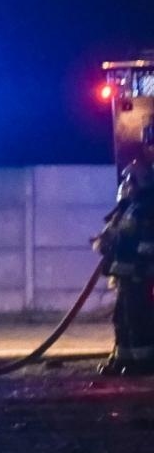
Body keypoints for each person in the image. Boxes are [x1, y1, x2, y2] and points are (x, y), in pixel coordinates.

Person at [97, 159, 154, 375]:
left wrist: (141, 267)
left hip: (138, 276)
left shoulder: (146, 210)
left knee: (138, 319)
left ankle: (144, 363)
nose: (126, 184)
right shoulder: (130, 209)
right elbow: (122, 237)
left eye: (129, 180)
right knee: (121, 318)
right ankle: (124, 360)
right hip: (126, 276)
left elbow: (148, 243)